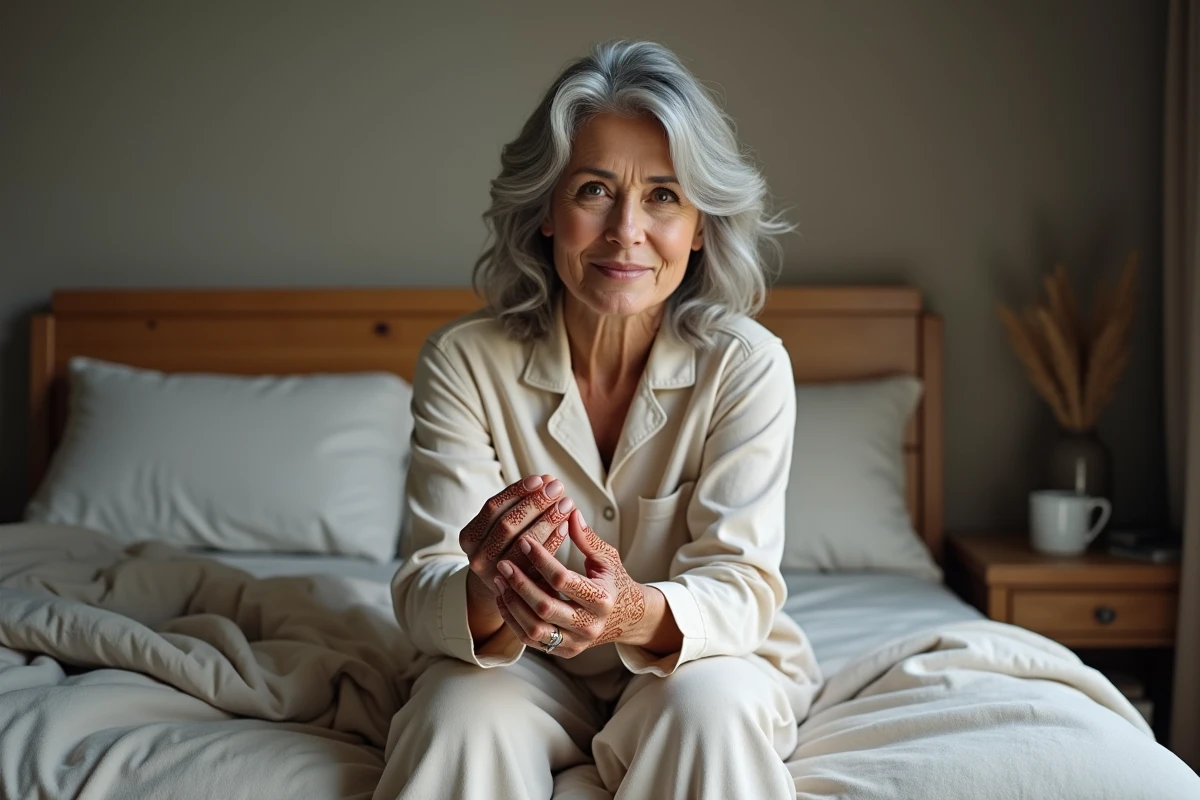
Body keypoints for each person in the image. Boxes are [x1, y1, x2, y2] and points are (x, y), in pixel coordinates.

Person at [380, 39, 821, 800]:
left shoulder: (746, 364)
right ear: (547, 211)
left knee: (708, 715)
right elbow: (426, 586)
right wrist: (493, 586)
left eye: (663, 195)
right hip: (520, 669)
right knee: (455, 713)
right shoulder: (464, 361)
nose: (626, 231)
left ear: (702, 225)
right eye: (592, 190)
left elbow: (741, 584)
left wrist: (627, 611)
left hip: (697, 664)